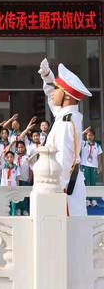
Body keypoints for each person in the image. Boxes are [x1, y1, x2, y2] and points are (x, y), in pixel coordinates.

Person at [38, 58, 92, 216]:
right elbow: (50, 96)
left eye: (57, 89)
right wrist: (48, 76)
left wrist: (58, 188)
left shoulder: (67, 122)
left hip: (64, 189)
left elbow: (64, 158)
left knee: (67, 235)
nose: (53, 92)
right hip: (63, 186)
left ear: (67, 96)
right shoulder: (65, 115)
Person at [81, 127, 103, 207]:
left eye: (91, 135)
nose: (90, 136)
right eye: (88, 135)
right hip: (85, 166)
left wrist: (100, 166)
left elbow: (100, 156)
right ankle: (87, 199)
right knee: (86, 182)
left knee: (93, 182)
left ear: (94, 136)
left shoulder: (97, 145)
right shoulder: (83, 143)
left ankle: (93, 199)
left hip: (94, 166)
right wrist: (84, 132)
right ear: (86, 136)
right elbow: (76, 138)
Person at [0, 150, 21, 216]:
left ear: (13, 157)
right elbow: (0, 158)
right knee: (4, 202)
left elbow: (17, 178)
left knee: (13, 202)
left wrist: (18, 187)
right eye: (8, 157)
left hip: (13, 186)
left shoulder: (16, 167)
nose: (9, 158)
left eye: (11, 157)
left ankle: (13, 215)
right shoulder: (3, 165)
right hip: (4, 186)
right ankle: (4, 215)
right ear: (6, 158)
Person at [15, 140, 32, 215]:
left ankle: (25, 209)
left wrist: (30, 178)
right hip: (17, 180)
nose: (20, 149)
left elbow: (30, 168)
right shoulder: (14, 157)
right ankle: (18, 209)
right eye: (18, 147)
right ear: (16, 148)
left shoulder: (27, 157)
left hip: (25, 178)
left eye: (22, 147)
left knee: (25, 195)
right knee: (18, 194)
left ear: (24, 148)